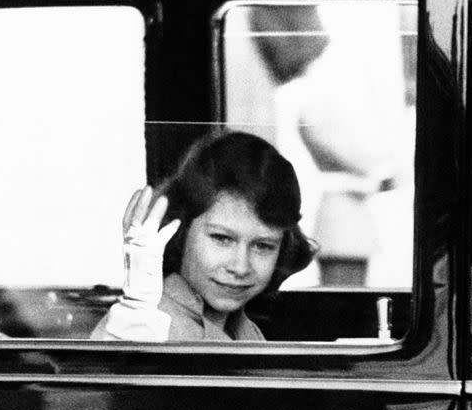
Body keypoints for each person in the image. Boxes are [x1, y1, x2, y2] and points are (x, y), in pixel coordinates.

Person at [91, 131, 315, 341]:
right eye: (222, 239)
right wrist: (133, 322)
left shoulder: (246, 331)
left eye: (263, 246)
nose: (240, 267)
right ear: (180, 231)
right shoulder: (144, 322)